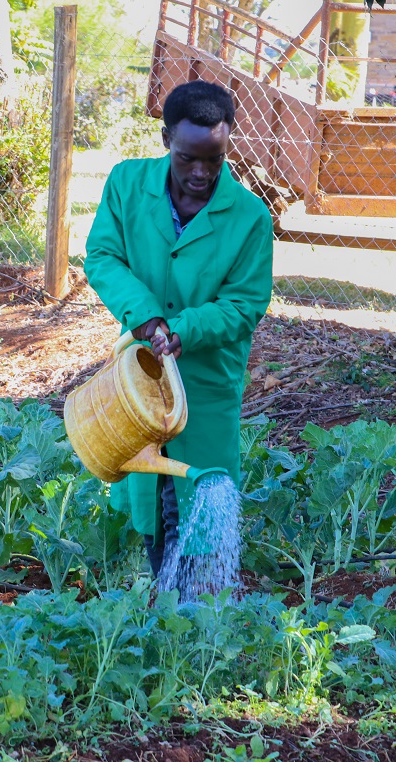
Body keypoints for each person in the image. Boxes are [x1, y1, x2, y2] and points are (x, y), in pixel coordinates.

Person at [83, 79, 274, 589]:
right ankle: (161, 601)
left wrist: (183, 330)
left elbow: (245, 303)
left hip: (206, 382)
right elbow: (102, 256)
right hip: (140, 380)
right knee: (149, 493)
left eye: (214, 160)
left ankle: (191, 611)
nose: (201, 173)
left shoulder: (251, 217)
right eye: (188, 157)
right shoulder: (126, 185)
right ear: (167, 137)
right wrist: (145, 318)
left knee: (200, 506)